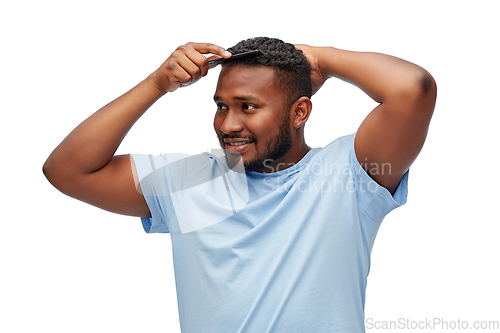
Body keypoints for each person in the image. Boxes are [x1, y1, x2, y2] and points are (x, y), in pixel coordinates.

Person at [43, 37, 436, 332]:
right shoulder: (190, 181)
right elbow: (68, 170)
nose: (228, 124)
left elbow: (413, 89)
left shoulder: (348, 175)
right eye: (221, 106)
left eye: (248, 106)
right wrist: (156, 84)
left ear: (300, 112)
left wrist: (318, 59)